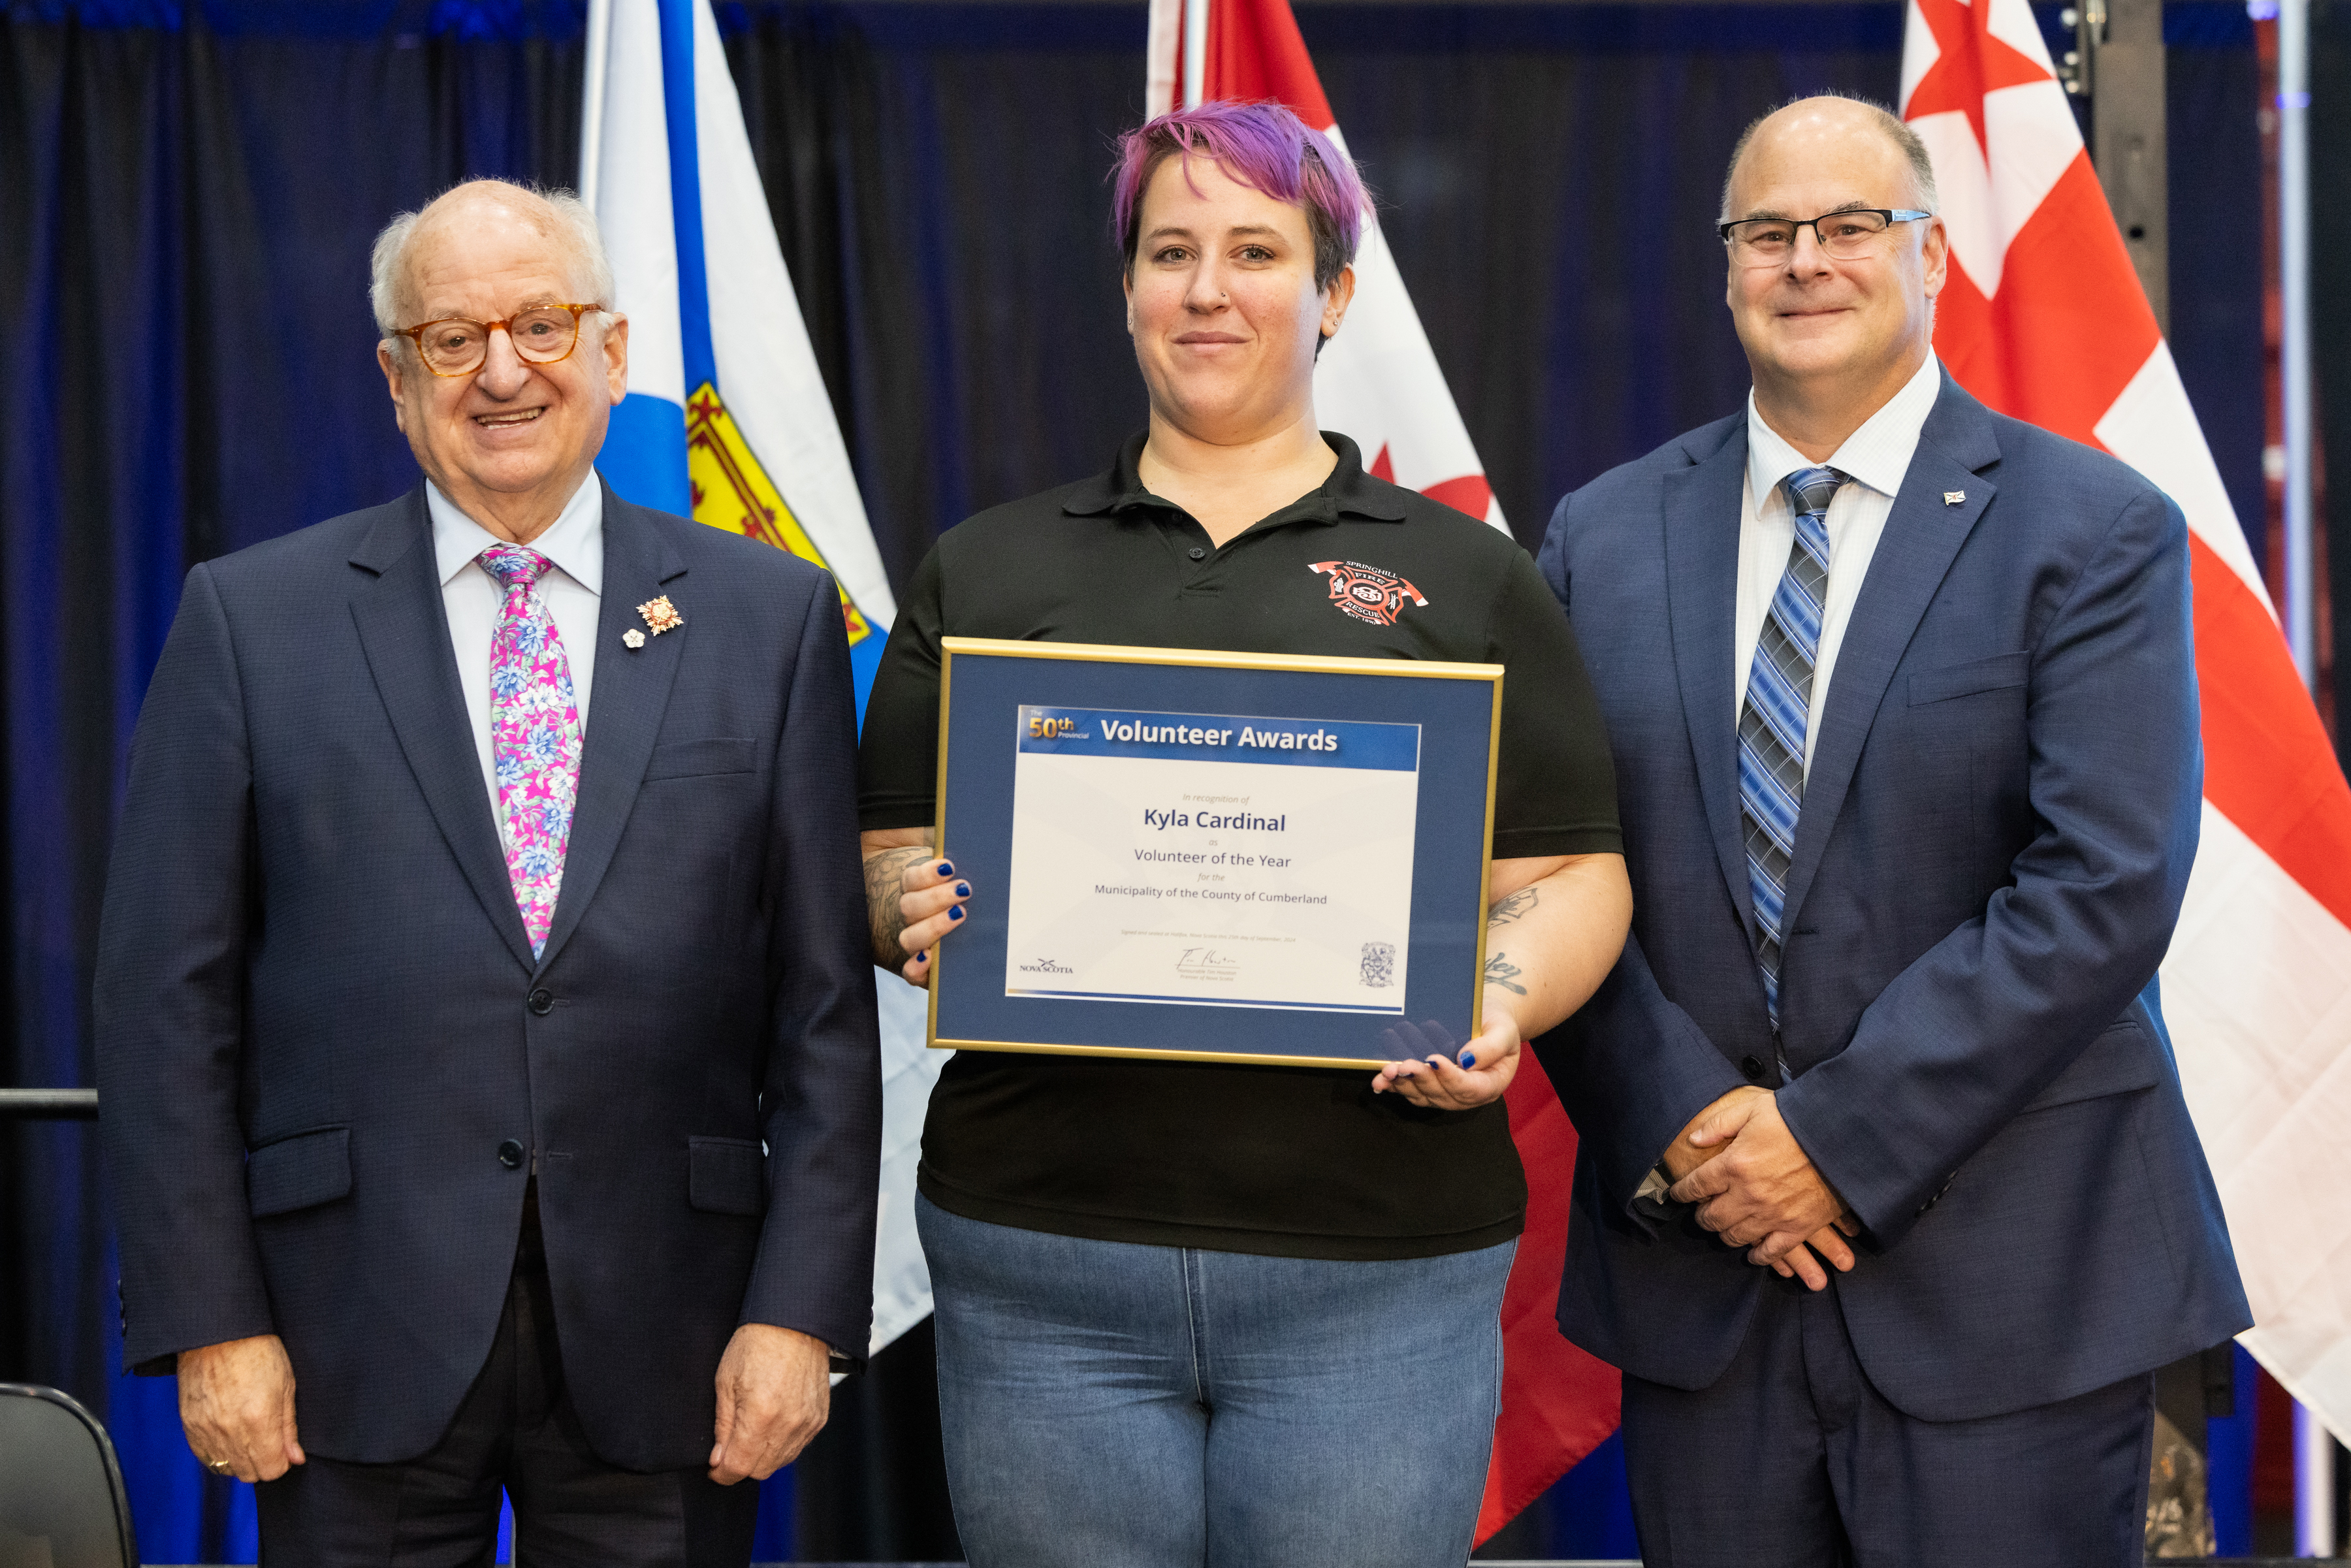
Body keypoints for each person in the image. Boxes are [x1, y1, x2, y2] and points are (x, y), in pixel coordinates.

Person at [855, 101, 1631, 1568]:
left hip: (1377, 1267)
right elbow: (884, 846)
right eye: (1171, 252)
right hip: (1045, 1262)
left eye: (1257, 251)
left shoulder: (1464, 578)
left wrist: (1501, 998)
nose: (1208, 289)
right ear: (1129, 288)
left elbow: (1572, 873)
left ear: (1334, 294)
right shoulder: (989, 568)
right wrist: (908, 904)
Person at [95, 178, 880, 1566]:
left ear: (615, 353)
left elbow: (821, 1010)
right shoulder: (251, 621)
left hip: (677, 1340)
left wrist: (802, 1309)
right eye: (453, 339)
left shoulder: (770, 619)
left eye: (541, 324)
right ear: (398, 381)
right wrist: (211, 1319)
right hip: (341, 1344)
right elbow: (166, 1004)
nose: (503, 370)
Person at [1535, 95, 2250, 1567]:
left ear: (1930, 260)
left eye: (1852, 225)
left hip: (2015, 1298)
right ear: (1726, 267)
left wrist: (1828, 1140)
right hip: (1704, 1270)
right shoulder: (1596, 539)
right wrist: (1694, 1128)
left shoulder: (2091, 527)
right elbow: (1543, 869)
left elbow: (2104, 886)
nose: (1809, 259)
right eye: (1768, 231)